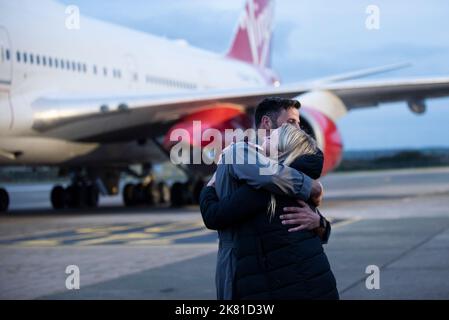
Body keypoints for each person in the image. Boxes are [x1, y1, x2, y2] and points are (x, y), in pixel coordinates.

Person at [199, 97, 330, 299]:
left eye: (297, 124)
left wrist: (208, 189)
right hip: (311, 281)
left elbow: (215, 216)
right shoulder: (283, 174)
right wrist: (315, 196)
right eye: (291, 123)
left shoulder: (271, 176)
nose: (298, 128)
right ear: (267, 123)